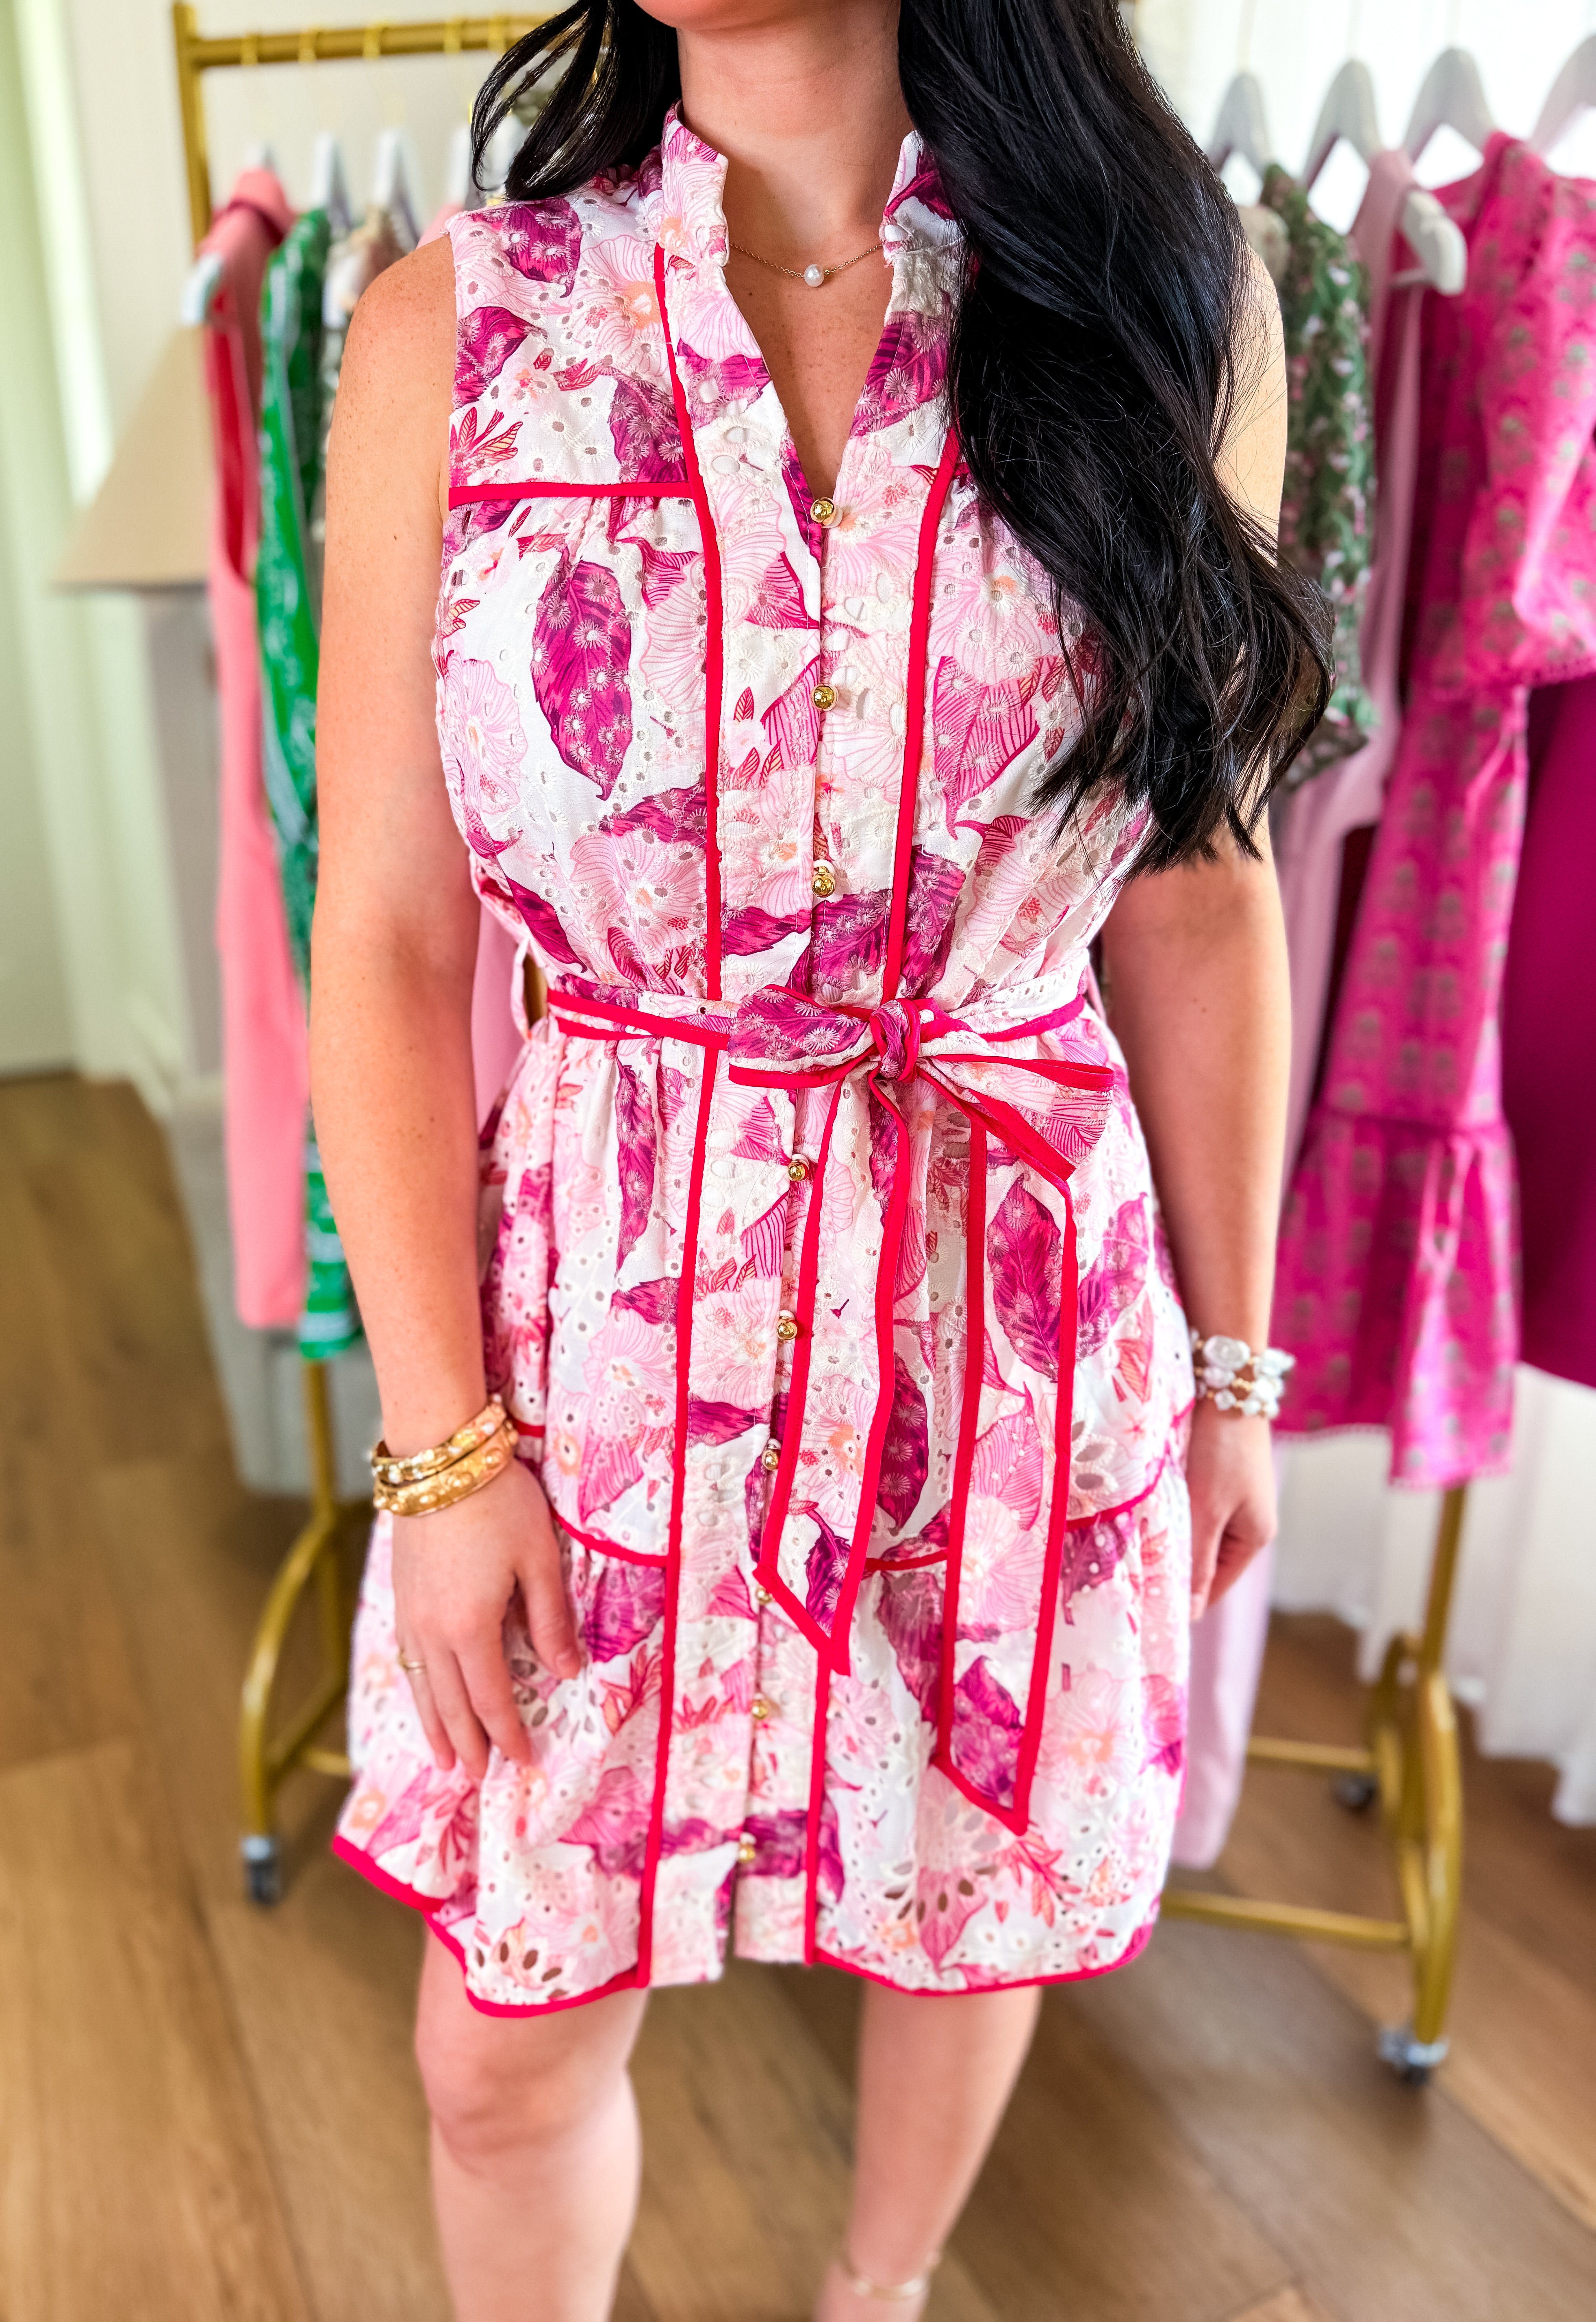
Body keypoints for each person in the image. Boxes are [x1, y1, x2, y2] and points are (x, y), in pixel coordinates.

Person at [312, 1, 1323, 2313]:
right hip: (597, 1328)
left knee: (966, 1912)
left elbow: (1197, 885)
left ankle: (878, 2297)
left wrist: (1232, 1370)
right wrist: (441, 1451)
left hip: (1019, 1295)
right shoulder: (457, 329)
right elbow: (383, 933)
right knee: (500, 2043)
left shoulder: (1178, 301)